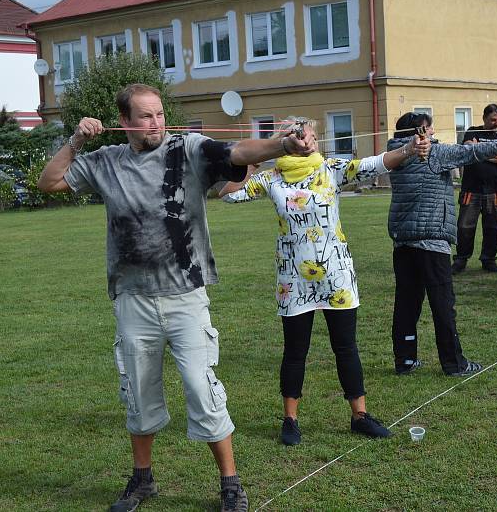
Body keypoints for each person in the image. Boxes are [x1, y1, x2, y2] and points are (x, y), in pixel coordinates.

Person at [36, 83, 315, 512]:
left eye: (160, 114)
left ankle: (231, 485)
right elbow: (49, 182)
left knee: (203, 391)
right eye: (146, 116)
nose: (156, 123)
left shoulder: (189, 150)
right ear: (124, 121)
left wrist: (281, 144)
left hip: (185, 296)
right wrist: (75, 141)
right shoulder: (105, 162)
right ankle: (142, 481)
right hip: (132, 300)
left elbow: (236, 153)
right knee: (138, 393)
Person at [220, 117, 430, 446]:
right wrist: (254, 157)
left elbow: (375, 164)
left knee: (346, 348)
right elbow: (227, 194)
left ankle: (359, 416)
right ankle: (290, 420)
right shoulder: (272, 178)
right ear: (288, 141)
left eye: (314, 136)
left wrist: (407, 149)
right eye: (304, 137)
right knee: (295, 352)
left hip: (336, 277)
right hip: (294, 280)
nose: (311, 141)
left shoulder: (331, 168)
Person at [387, 112, 497, 375]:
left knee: (406, 303)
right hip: (431, 242)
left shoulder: (393, 157)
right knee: (442, 304)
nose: (433, 133)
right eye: (429, 129)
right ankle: (454, 363)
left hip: (403, 242)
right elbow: (473, 154)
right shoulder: (433, 153)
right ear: (419, 131)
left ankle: (405, 360)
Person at [452, 104, 497, 273]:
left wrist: (479, 152)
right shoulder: (472, 131)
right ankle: (461, 259)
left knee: (493, 227)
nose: (496, 123)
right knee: (464, 227)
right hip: (471, 189)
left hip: (495, 190)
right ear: (484, 118)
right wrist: (491, 154)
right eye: (493, 119)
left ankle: (488, 260)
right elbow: (467, 150)